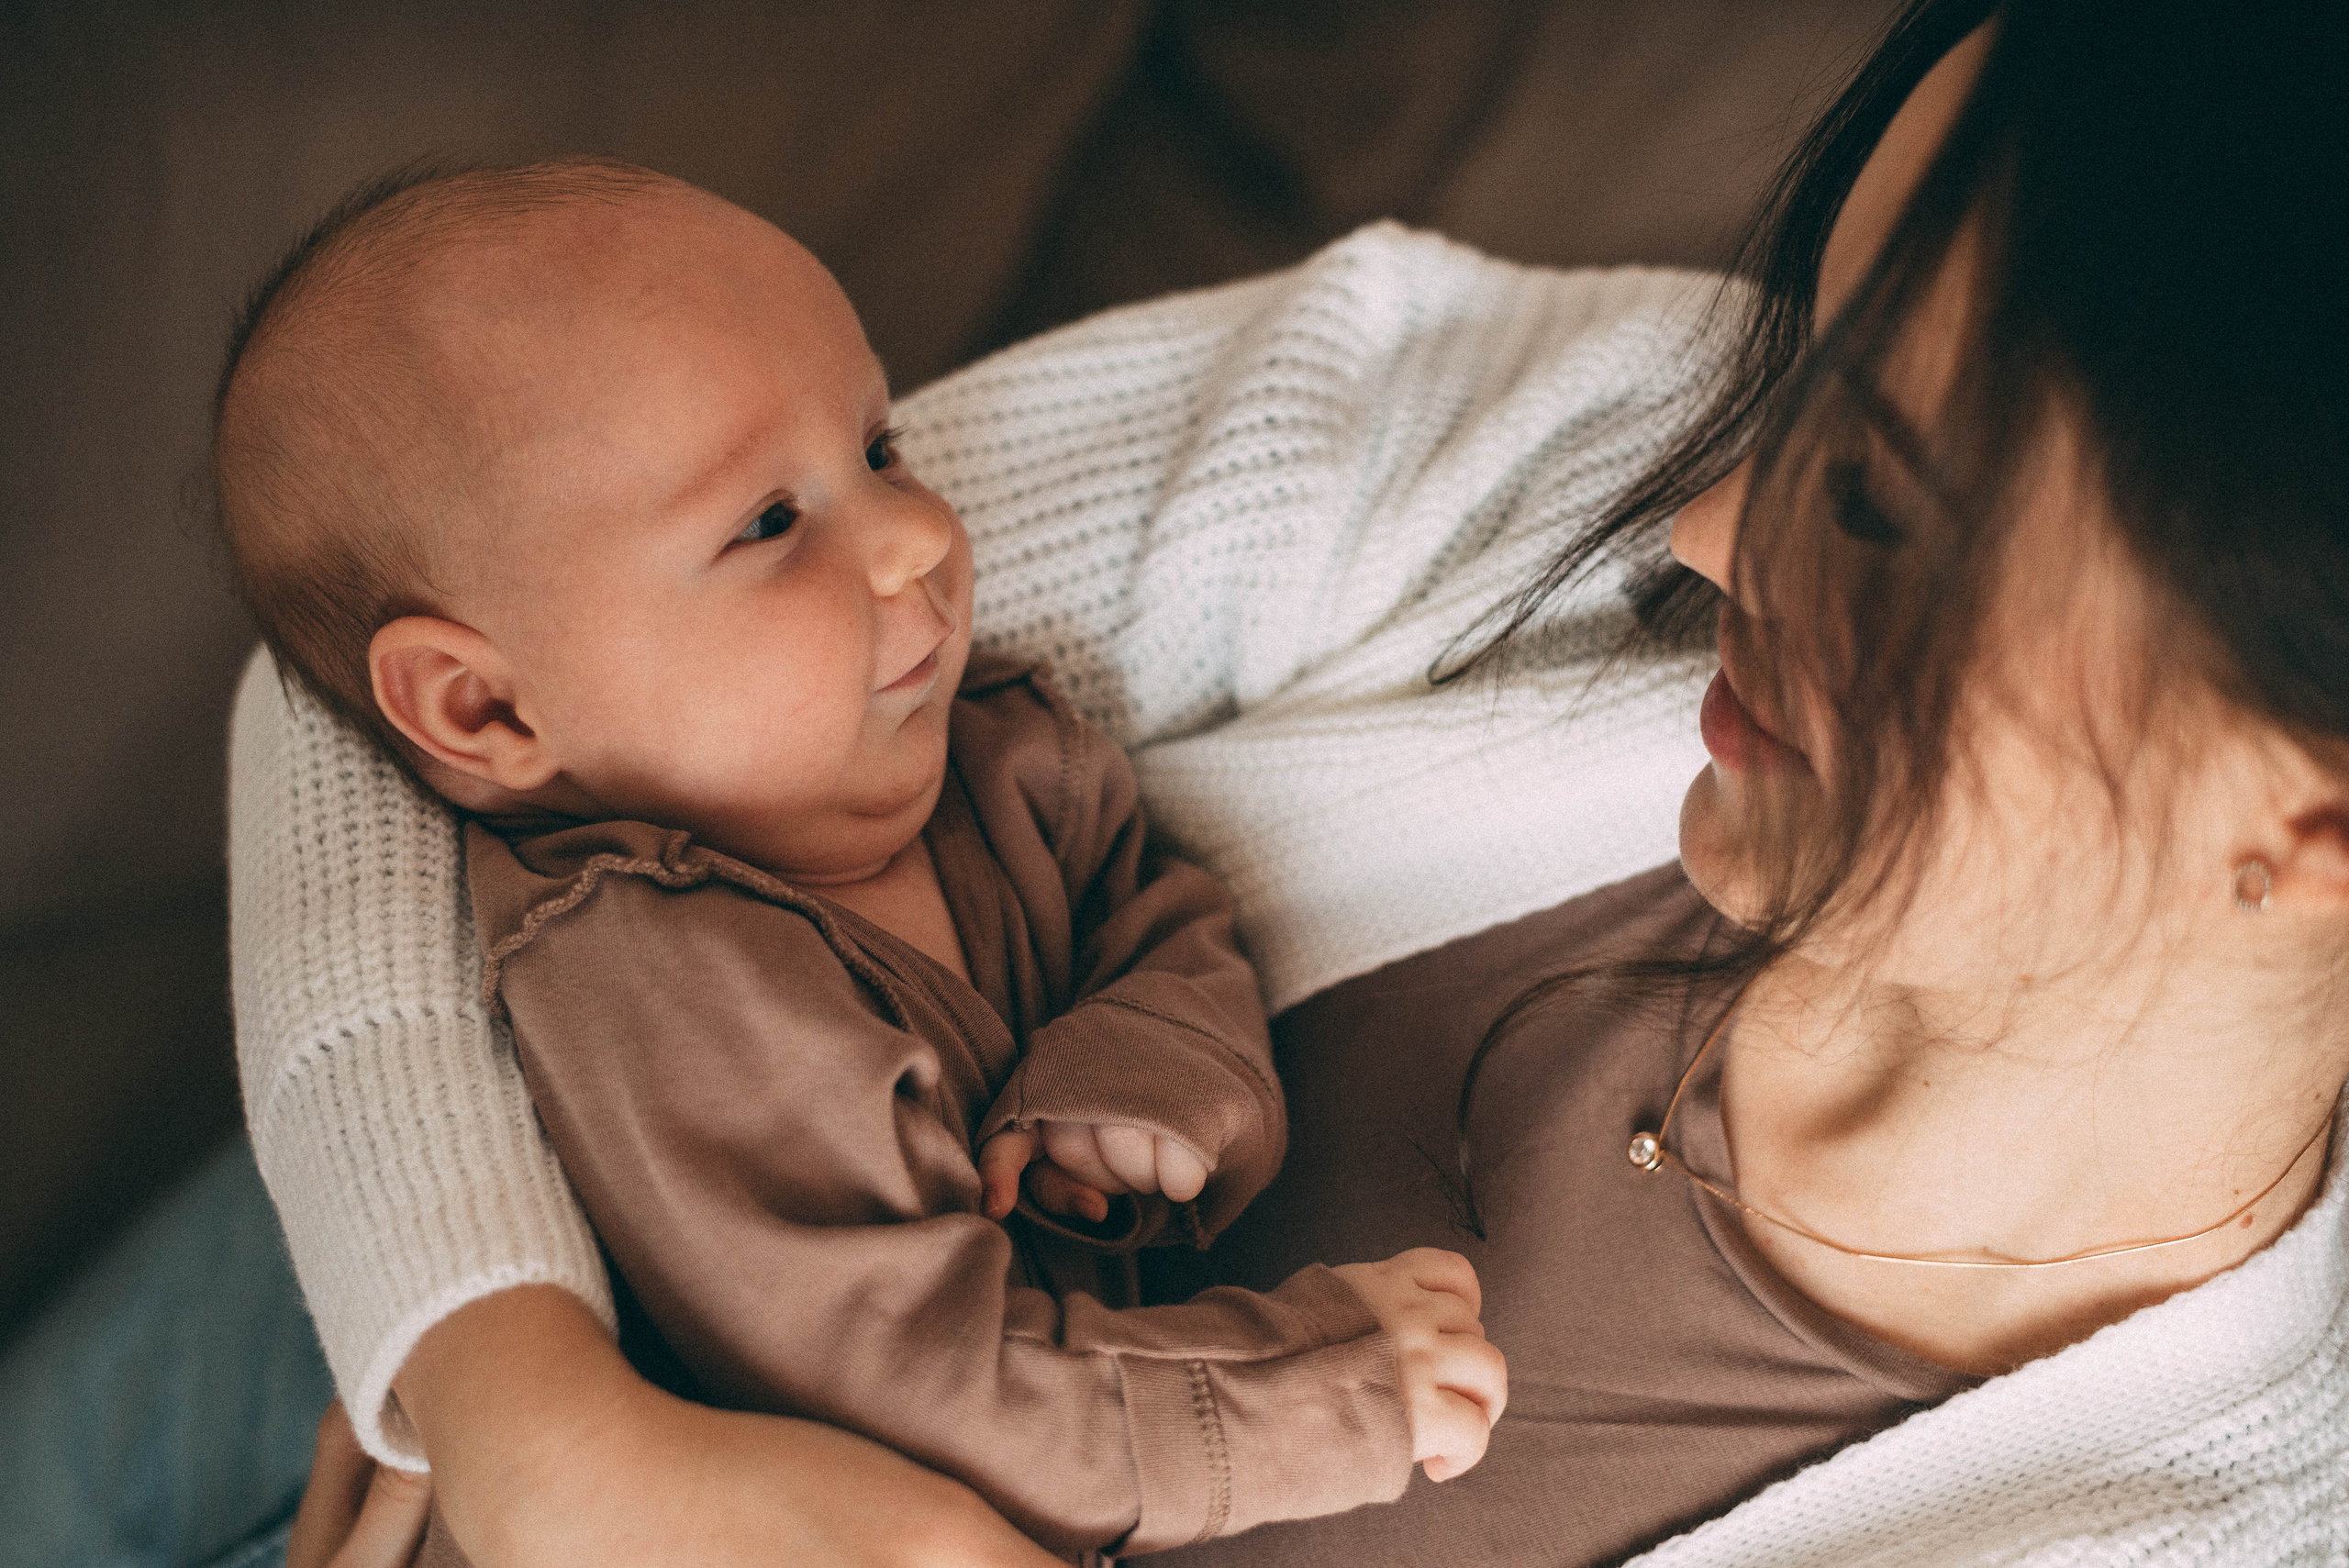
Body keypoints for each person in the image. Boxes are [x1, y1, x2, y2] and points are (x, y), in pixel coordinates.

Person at [231, 0, 2349, 1562]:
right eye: (1792, 372)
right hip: (313, 1333)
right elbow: (385, 666)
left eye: (1875, 506)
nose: (1689, 531)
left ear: (2305, 819)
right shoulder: (1540, 434)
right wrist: (523, 1401)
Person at [207, 160, 1504, 1562]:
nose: (922, 535)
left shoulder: (996, 750)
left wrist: (1145, 1069)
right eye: (770, 523)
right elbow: (925, 1398)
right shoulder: (666, 978)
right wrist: (1327, 1388)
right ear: (488, 710)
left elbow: (1164, 906)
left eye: (882, 447)